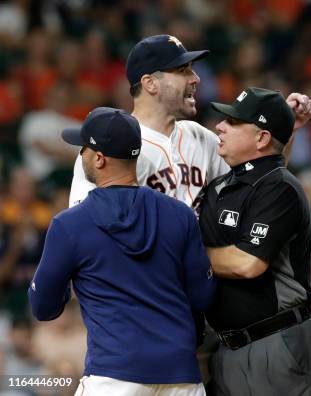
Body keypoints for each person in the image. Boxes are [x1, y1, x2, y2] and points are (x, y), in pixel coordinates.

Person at [28, 107, 216, 396]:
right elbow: (203, 295)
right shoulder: (179, 215)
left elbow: (43, 307)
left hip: (113, 376)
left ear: (99, 159)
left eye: (84, 149)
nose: (81, 155)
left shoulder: (71, 224)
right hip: (181, 376)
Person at [68, 34, 311, 209]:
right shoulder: (109, 143)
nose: (196, 78)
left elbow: (263, 181)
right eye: (183, 70)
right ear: (150, 83)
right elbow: (83, 229)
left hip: (201, 278)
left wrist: (285, 129)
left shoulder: (199, 136)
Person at [197, 87, 311, 395]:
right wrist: (285, 125)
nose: (220, 126)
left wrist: (187, 256)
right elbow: (266, 163)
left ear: (261, 138)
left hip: (277, 341)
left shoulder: (280, 188)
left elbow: (248, 263)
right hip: (229, 346)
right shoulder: (226, 182)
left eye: (233, 122)